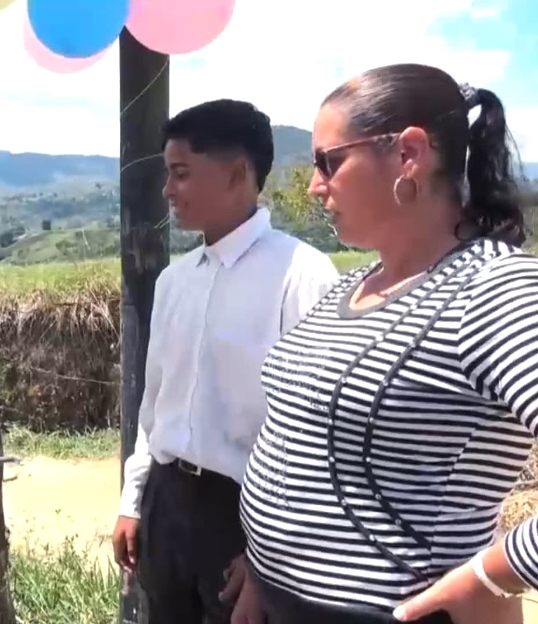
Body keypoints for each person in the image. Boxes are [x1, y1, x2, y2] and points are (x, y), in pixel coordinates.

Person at [229, 63, 535, 624]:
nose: (315, 184)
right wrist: (263, 565)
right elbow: (301, 441)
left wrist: (490, 574)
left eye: (329, 161)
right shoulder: (358, 283)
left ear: (408, 154)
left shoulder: (495, 292)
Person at [111, 99, 341, 624]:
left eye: (182, 173)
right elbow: (156, 407)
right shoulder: (175, 281)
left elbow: (314, 434)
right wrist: (134, 500)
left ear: (238, 173)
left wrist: (270, 555)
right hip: (167, 506)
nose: (168, 189)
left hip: (243, 515)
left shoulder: (302, 276)